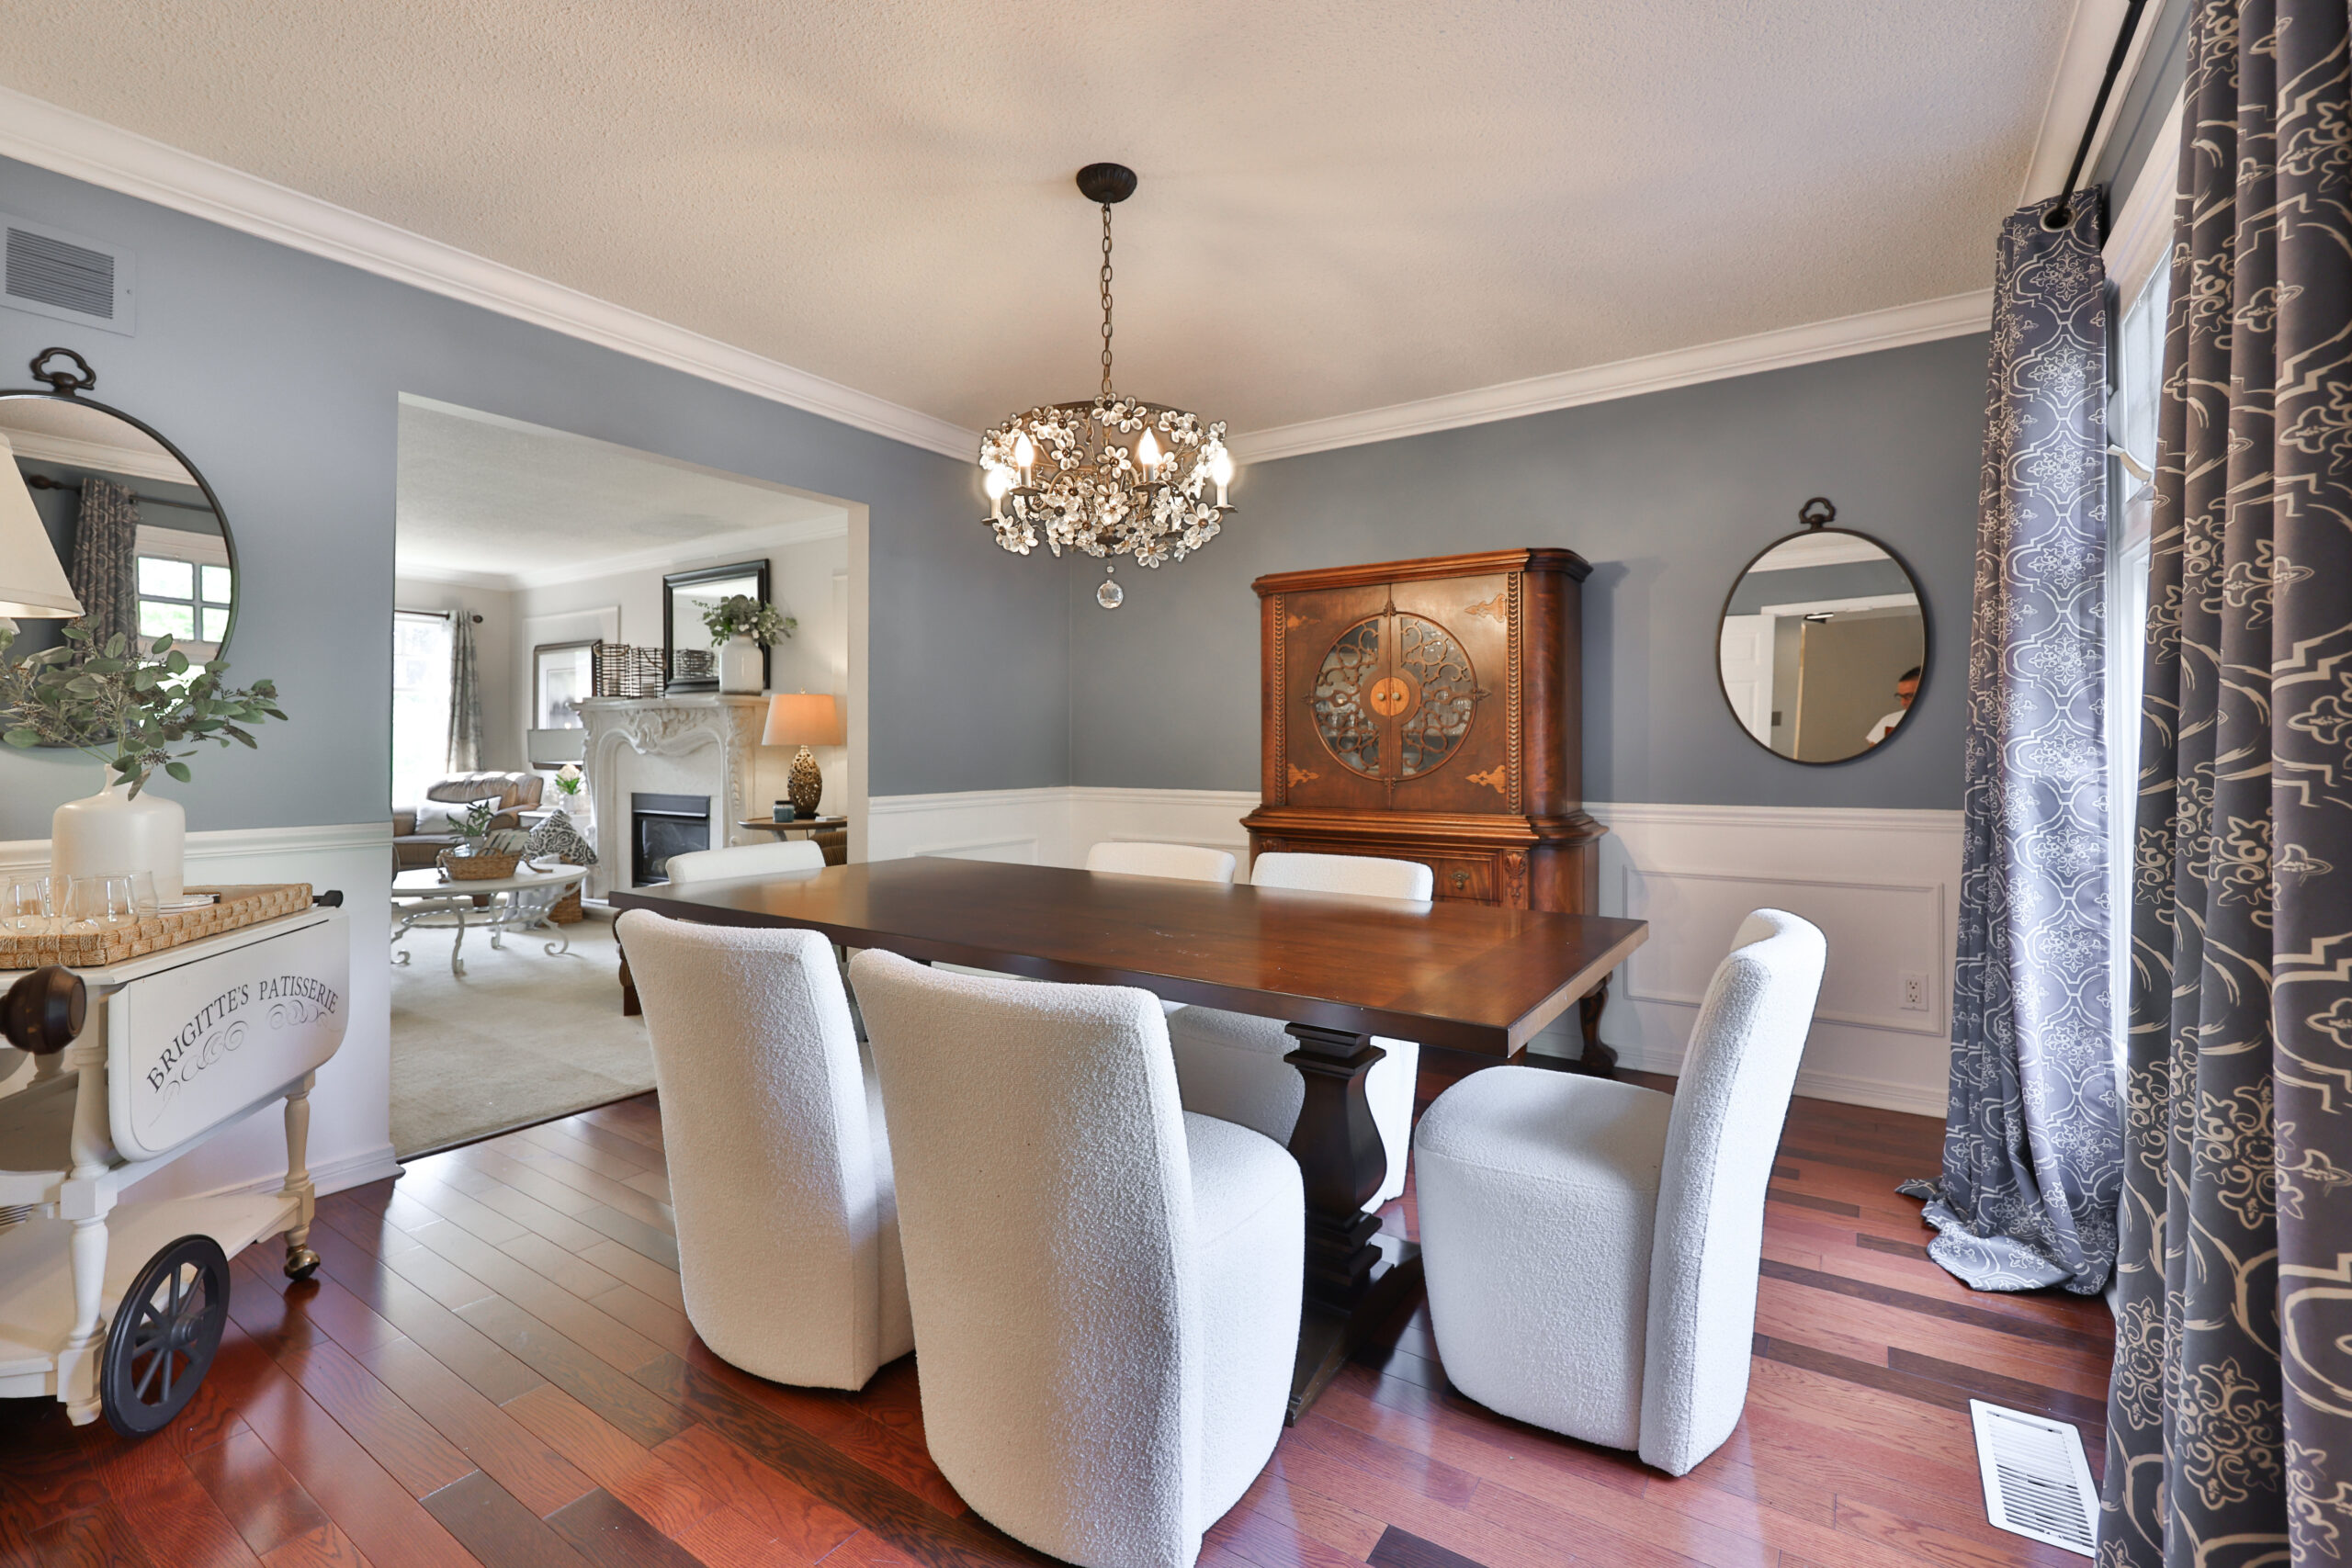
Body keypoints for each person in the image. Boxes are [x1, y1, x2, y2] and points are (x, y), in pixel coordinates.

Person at [1866, 667, 1921, 747]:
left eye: (1909, 696)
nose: (1903, 702)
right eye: (1901, 696)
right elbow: (1875, 752)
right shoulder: (1888, 721)